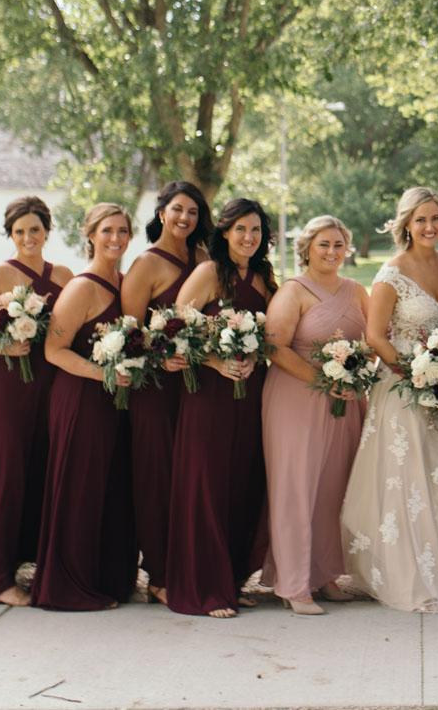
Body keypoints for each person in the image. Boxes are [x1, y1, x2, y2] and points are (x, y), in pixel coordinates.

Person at [341, 187, 438, 612]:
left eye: (436, 218)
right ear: (406, 224)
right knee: (408, 479)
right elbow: (375, 336)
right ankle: (410, 577)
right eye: (421, 219)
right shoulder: (391, 273)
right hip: (403, 389)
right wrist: (416, 379)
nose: (430, 227)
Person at [165, 198, 275, 617]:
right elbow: (175, 331)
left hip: (250, 395)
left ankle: (229, 580)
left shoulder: (263, 277)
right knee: (207, 486)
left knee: (242, 483)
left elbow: (270, 332)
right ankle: (204, 588)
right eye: (241, 229)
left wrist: (254, 356)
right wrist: (216, 361)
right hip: (209, 394)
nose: (249, 238)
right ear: (225, 232)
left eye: (256, 231)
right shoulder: (208, 273)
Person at [31, 204, 139, 610]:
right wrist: (102, 374)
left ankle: (107, 579)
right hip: (81, 398)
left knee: (111, 489)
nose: (116, 238)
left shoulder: (126, 283)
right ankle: (67, 587)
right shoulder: (81, 287)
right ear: (90, 234)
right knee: (79, 489)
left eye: (123, 231)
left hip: (117, 401)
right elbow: (54, 350)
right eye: (107, 230)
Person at [261, 214, 370, 614]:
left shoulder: (357, 290)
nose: (331, 251)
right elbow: (276, 347)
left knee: (332, 488)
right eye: (323, 244)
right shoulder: (294, 290)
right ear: (306, 247)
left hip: (346, 400)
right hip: (296, 397)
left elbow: (372, 341)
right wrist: (325, 380)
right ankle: (293, 584)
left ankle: (324, 575)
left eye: (339, 244)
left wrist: (357, 369)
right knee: (296, 488)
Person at [0, 196, 73, 607]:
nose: (28, 237)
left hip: (50, 387)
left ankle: (31, 564)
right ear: (10, 235)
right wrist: (1, 348)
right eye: (19, 231)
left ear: (47, 231)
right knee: (4, 477)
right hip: (6, 388)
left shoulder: (64, 275)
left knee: (42, 475)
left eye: (35, 229)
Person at [121, 181, 213, 606]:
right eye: (178, 209)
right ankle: (158, 573)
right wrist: (160, 360)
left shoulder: (204, 258)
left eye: (193, 212)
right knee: (157, 476)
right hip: (156, 387)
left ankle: (188, 563)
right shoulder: (146, 264)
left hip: (198, 385)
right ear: (161, 213)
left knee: (189, 478)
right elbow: (130, 331)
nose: (185, 218)